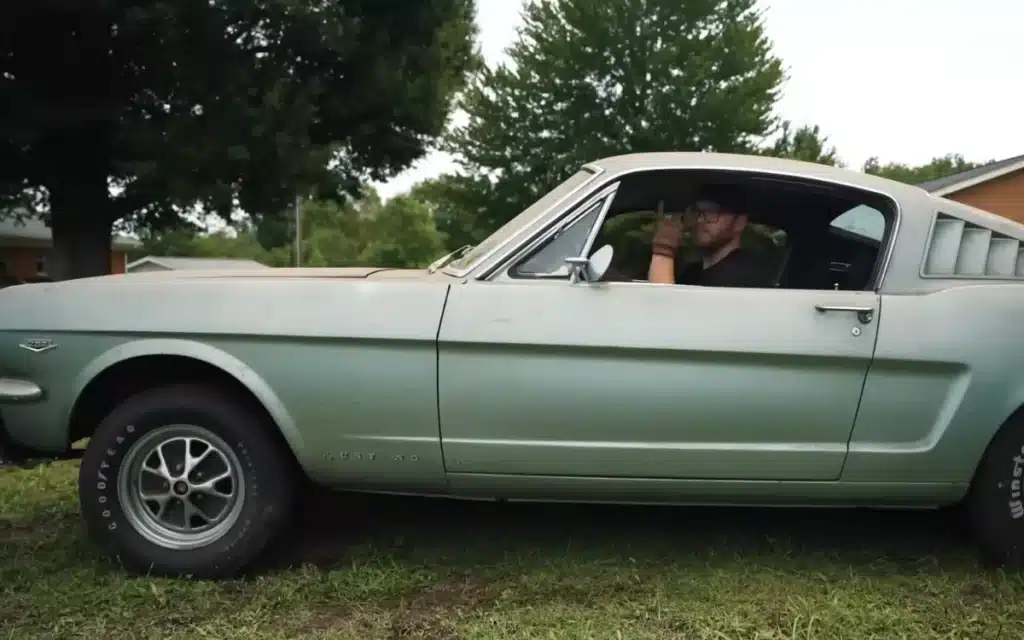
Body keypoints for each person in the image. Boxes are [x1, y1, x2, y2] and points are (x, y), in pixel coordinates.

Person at [647, 187, 775, 288]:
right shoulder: (692, 271)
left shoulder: (748, 273)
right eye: (697, 212)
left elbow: (669, 313)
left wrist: (663, 250)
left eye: (713, 212)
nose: (700, 219)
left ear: (739, 223)